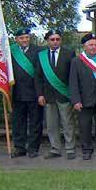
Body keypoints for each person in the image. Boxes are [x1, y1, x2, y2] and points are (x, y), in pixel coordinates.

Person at [69, 33, 96, 160]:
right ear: (84, 46)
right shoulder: (77, 61)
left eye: (95, 44)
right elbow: (73, 83)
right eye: (90, 45)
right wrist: (76, 100)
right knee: (85, 127)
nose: (93, 47)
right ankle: (87, 150)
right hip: (84, 100)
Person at [35, 29, 76, 159]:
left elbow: (73, 77)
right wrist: (40, 94)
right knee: (51, 125)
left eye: (58, 39)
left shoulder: (69, 54)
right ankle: (55, 149)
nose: (55, 42)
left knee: (67, 123)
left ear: (61, 40)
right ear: (47, 41)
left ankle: (70, 149)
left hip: (64, 94)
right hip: (48, 96)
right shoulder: (41, 56)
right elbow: (38, 77)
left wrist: (73, 94)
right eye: (52, 39)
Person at [10, 28, 43, 158]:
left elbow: (40, 74)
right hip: (17, 93)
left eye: (26, 37)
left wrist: (41, 93)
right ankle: (19, 148)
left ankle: (33, 148)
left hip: (34, 93)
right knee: (18, 122)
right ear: (16, 39)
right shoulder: (11, 52)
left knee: (35, 122)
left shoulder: (39, 51)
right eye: (21, 38)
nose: (24, 40)